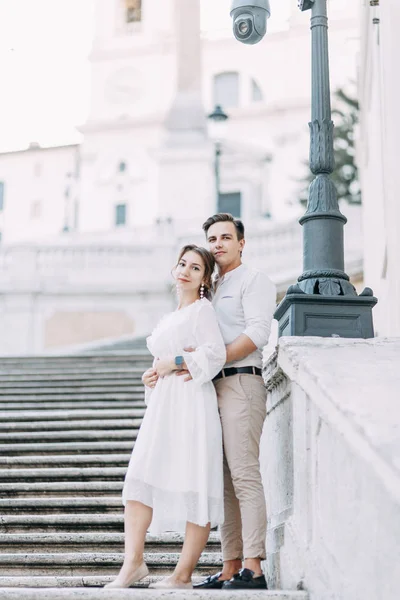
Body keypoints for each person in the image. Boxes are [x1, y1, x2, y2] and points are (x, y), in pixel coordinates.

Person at [145, 213, 276, 590]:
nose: (218, 244)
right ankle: (230, 565)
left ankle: (255, 565)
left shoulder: (254, 281)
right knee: (222, 483)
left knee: (244, 475)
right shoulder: (210, 289)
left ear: (241, 243)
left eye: (225, 238)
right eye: (213, 238)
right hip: (207, 390)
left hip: (241, 385)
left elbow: (257, 333)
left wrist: (205, 357)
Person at [105, 244, 226, 590]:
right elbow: (167, 359)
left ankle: (182, 575)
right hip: (164, 406)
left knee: (194, 483)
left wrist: (173, 362)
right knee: (139, 479)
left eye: (196, 268)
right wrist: (153, 376)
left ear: (205, 279)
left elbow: (214, 353)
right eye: (182, 264)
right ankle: (133, 564)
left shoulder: (202, 310)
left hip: (191, 404)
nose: (186, 271)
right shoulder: (172, 315)